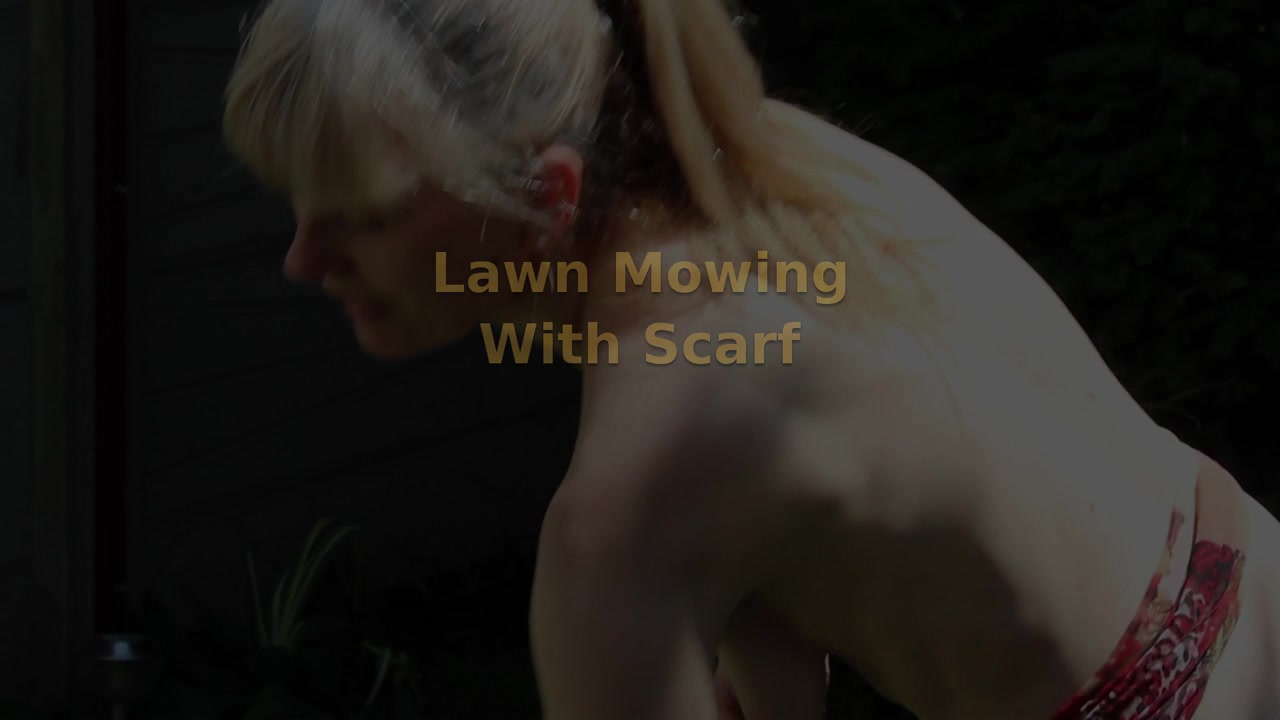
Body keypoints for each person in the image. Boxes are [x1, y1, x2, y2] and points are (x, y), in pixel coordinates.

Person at [221, 0, 1280, 718]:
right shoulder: (774, 158)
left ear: (545, 198)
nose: (302, 258)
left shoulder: (621, 518)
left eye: (363, 217)